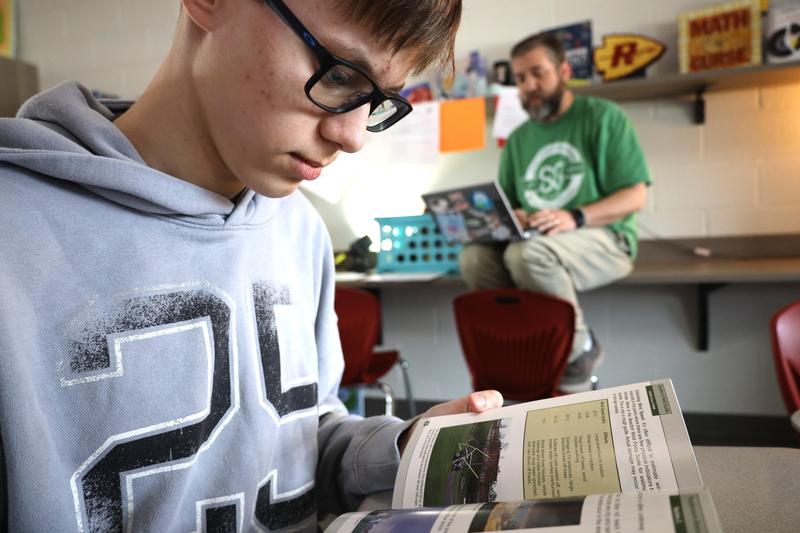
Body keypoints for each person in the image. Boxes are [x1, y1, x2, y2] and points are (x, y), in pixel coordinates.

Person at [0, 1, 503, 531]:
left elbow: (298, 441)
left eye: (379, 101)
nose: (353, 137)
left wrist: (403, 447)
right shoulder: (15, 232)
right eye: (338, 74)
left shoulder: (299, 228)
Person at [459, 32, 651, 393]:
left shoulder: (602, 117)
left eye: (538, 73)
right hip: (538, 242)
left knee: (528, 254)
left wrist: (573, 217)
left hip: (608, 239)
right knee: (472, 258)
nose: (529, 85)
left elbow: (634, 196)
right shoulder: (518, 140)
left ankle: (580, 349)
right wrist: (516, 217)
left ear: (563, 70)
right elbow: (511, 205)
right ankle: (526, 343)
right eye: (519, 78)